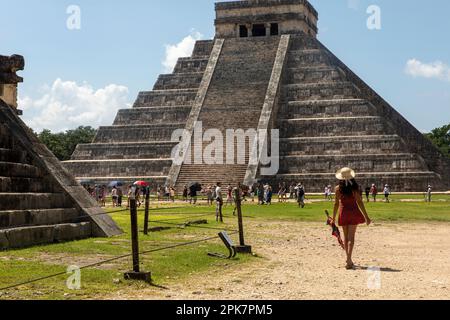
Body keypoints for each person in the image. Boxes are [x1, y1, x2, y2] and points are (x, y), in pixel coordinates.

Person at [332, 168, 372, 270]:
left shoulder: (337, 188)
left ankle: (348, 259)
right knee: (351, 238)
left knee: (346, 238)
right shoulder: (355, 188)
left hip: (343, 212)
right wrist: (366, 217)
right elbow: (360, 202)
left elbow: (336, 204)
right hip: (353, 212)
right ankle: (349, 260)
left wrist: (333, 217)